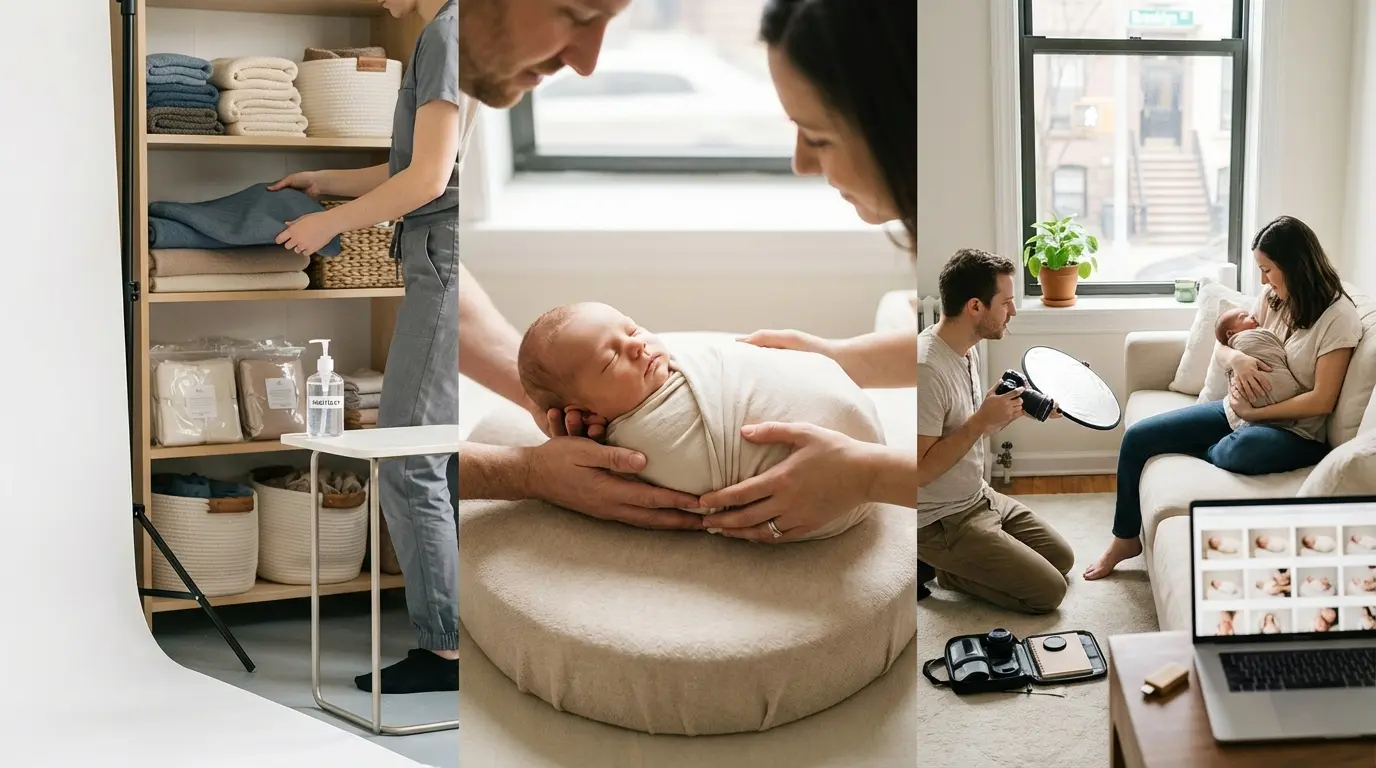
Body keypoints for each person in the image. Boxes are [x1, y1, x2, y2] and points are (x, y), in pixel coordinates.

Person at [268, 0, 470, 694]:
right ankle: (463, 639)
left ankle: (446, 652)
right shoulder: (457, 28)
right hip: (450, 255)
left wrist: (330, 225)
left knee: (408, 458)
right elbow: (415, 164)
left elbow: (427, 181)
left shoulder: (446, 33)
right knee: (439, 455)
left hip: (443, 258)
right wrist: (325, 183)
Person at [1084, 216, 1361, 581]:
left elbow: (1321, 401)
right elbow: (1224, 346)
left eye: (1267, 270)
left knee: (1242, 450)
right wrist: (1237, 360)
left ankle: (1207, 447)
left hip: (1294, 431)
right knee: (1138, 438)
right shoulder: (1273, 299)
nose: (1263, 281)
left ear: (1296, 266)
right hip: (1237, 412)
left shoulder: (1338, 319)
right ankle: (1124, 539)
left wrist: (1255, 414)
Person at [906, 249, 1075, 614]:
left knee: (1063, 559)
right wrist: (982, 421)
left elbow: (964, 427)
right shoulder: (926, 369)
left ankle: (964, 562)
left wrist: (1020, 408)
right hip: (941, 520)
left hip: (979, 496)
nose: (1012, 312)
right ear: (975, 307)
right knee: (1048, 593)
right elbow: (918, 472)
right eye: (1006, 303)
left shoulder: (967, 349)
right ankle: (943, 569)